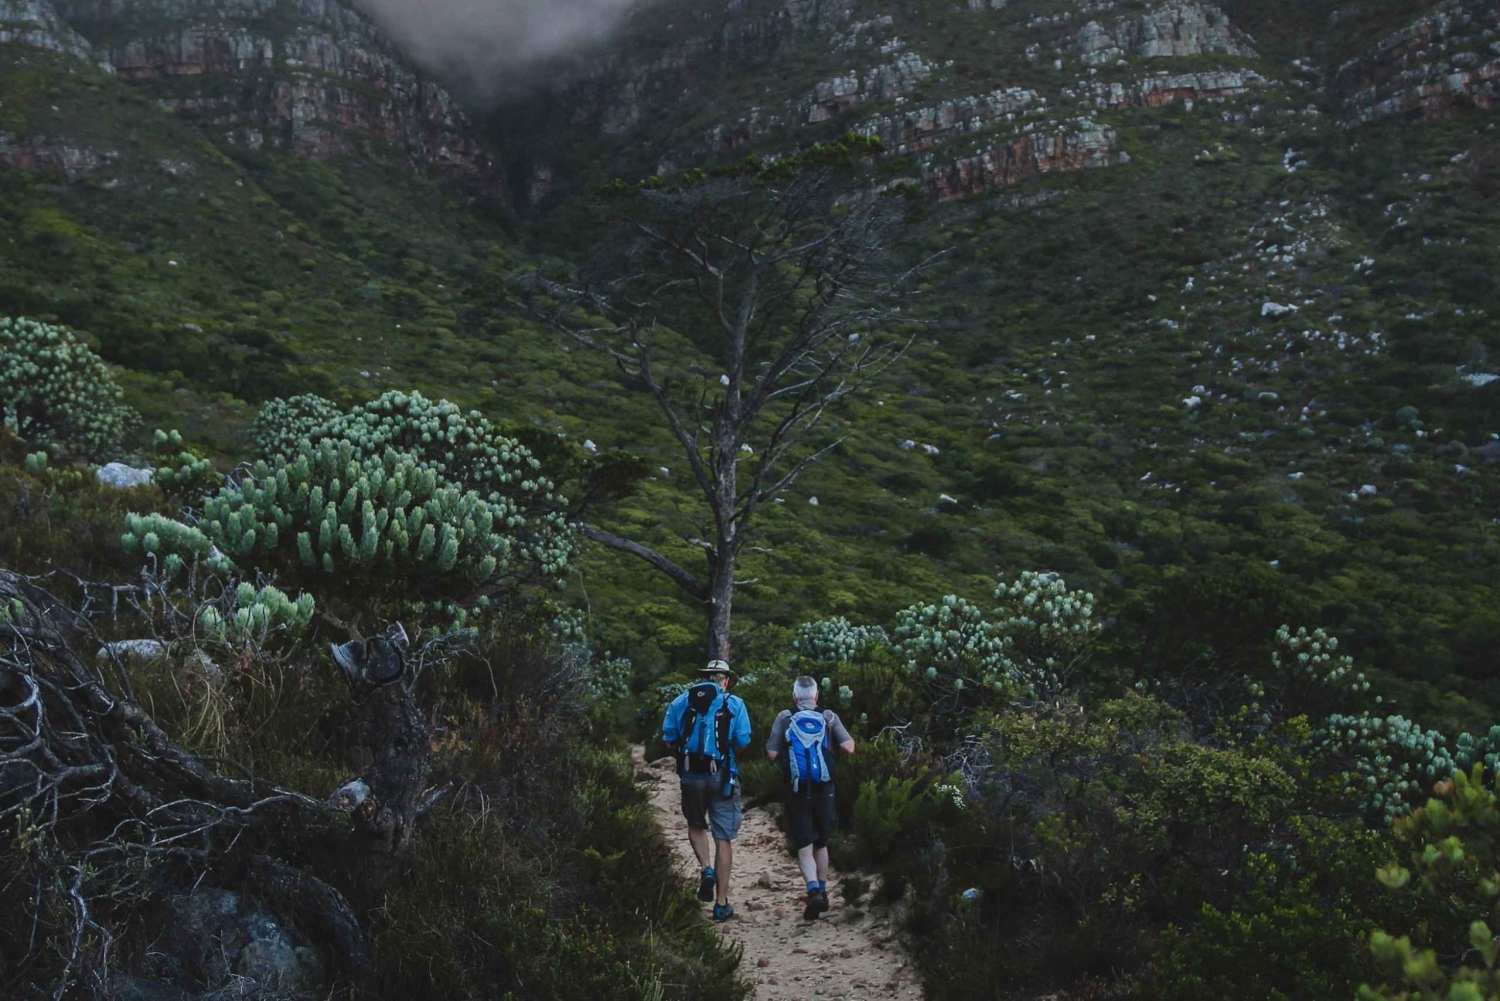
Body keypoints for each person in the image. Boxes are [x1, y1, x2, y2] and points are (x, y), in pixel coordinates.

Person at [661, 659, 752, 922]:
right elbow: (743, 740)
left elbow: (669, 740)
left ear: (704, 677)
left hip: (691, 775)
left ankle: (706, 868)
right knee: (723, 837)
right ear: (725, 680)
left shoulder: (681, 701)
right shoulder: (735, 703)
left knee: (696, 823)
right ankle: (721, 903)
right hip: (723, 775)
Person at [765, 675, 855, 920]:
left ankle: (812, 889)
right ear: (816, 695)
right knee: (821, 843)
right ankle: (823, 891)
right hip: (824, 787)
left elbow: (772, 753)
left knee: (804, 845)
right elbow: (849, 746)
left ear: (795, 696)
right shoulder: (828, 716)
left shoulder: (784, 717)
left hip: (796, 789)